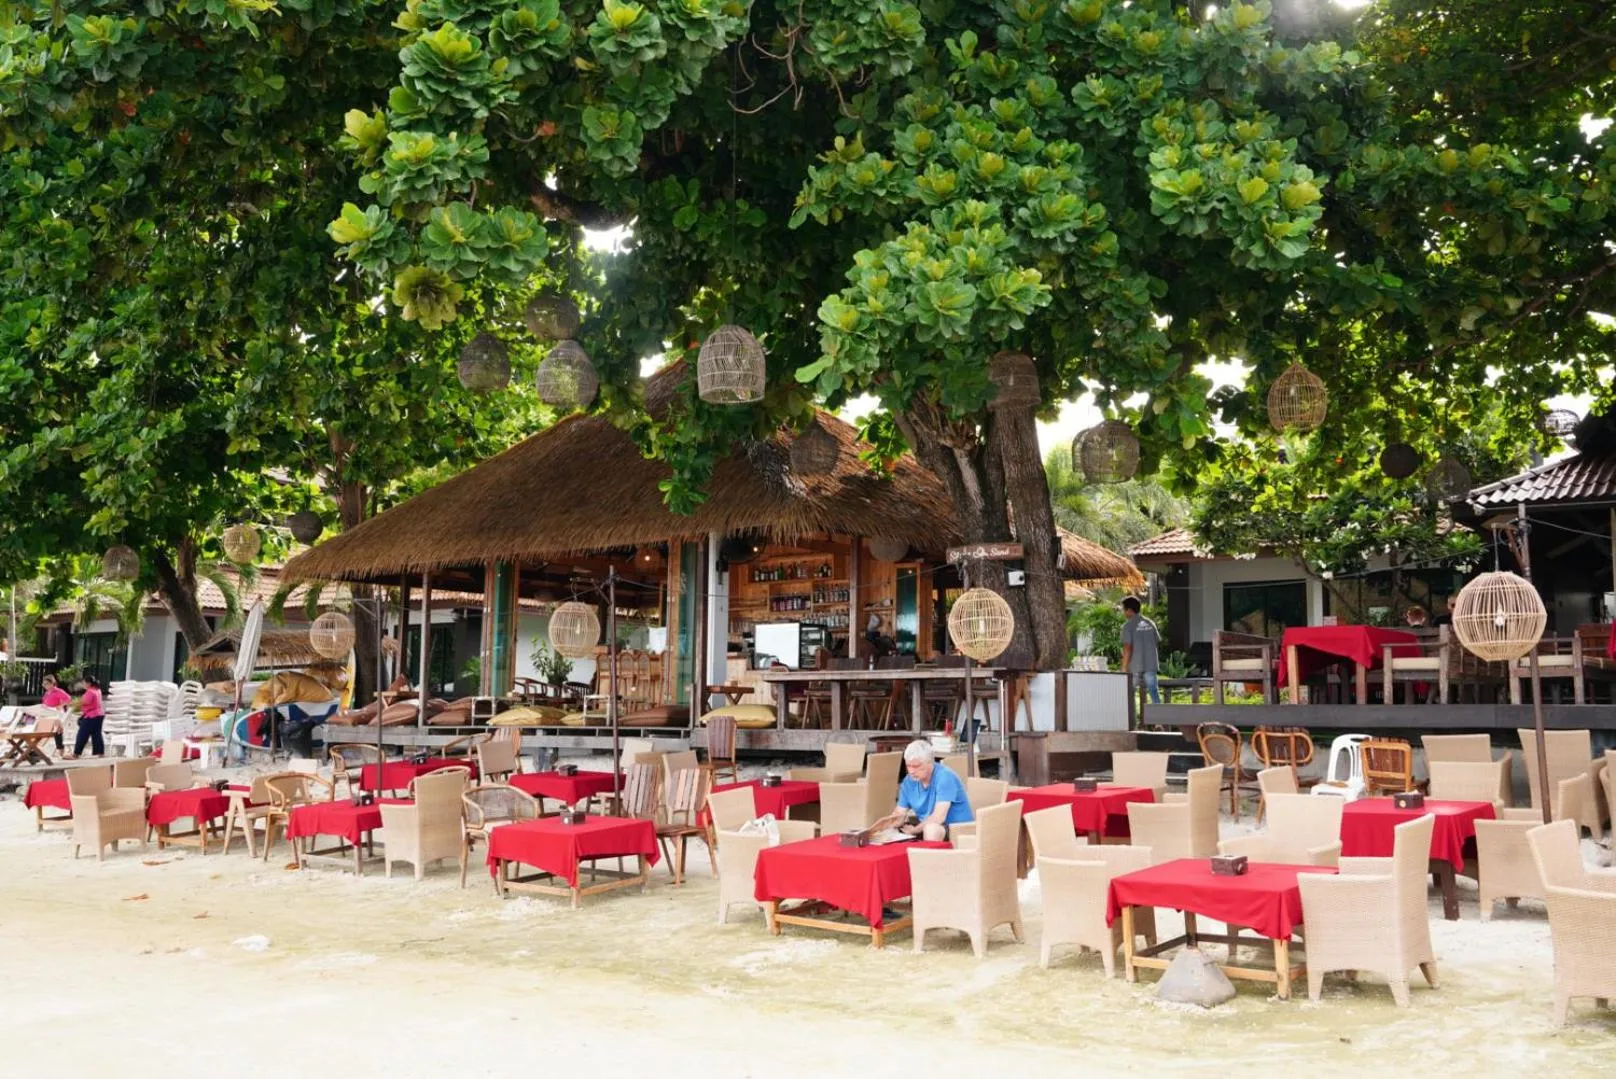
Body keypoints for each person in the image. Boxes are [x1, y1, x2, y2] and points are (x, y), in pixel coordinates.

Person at [870, 741, 973, 841]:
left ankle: (928, 858)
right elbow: (900, 813)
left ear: (929, 763)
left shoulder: (945, 777)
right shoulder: (908, 781)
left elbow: (938, 817)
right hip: (925, 825)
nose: (911, 771)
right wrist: (887, 825)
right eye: (908, 766)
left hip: (956, 829)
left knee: (931, 829)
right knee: (892, 831)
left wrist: (915, 830)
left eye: (916, 766)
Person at [1119, 596, 1161, 705]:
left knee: (1128, 694)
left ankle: (1129, 720)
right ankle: (1160, 720)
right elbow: (1156, 641)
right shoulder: (1150, 623)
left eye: (1124, 609)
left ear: (1129, 610)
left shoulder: (1128, 626)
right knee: (1154, 694)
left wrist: (1123, 667)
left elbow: (1128, 648)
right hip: (1151, 664)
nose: (1123, 612)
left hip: (1135, 666)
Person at [68, 674, 106, 758]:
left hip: (91, 715)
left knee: (82, 734)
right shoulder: (97, 690)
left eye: (84, 683)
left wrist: (71, 703)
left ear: (88, 683)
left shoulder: (90, 692)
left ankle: (76, 754)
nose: (83, 685)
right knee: (96, 734)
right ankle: (101, 753)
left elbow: (84, 702)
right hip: (99, 715)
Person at [38, 674, 72, 753]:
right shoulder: (47, 693)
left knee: (56, 728)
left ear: (52, 683)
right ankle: (37, 747)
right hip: (48, 713)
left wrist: (61, 705)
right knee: (39, 725)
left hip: (56, 713)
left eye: (46, 684)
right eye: (44, 684)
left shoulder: (58, 691)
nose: (44, 685)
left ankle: (60, 748)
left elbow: (69, 699)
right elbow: (44, 703)